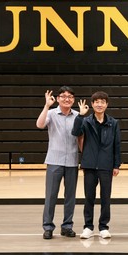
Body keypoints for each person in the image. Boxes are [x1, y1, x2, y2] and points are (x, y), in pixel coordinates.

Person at [71, 91, 121, 240]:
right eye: (96, 102)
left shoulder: (113, 123)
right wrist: (80, 115)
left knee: (106, 197)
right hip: (90, 164)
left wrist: (116, 164)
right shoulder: (86, 121)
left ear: (107, 104)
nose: (99, 104)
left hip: (106, 165)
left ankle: (104, 227)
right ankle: (88, 227)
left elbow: (117, 145)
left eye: (102, 102)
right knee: (89, 198)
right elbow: (75, 132)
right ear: (92, 104)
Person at [36, 86, 79, 240]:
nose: (67, 99)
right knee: (51, 196)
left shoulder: (78, 116)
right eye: (63, 96)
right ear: (58, 98)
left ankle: (67, 226)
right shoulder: (52, 113)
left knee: (70, 197)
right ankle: (48, 227)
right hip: (54, 160)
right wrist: (47, 105)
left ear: (73, 99)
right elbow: (40, 125)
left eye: (70, 96)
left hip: (73, 161)